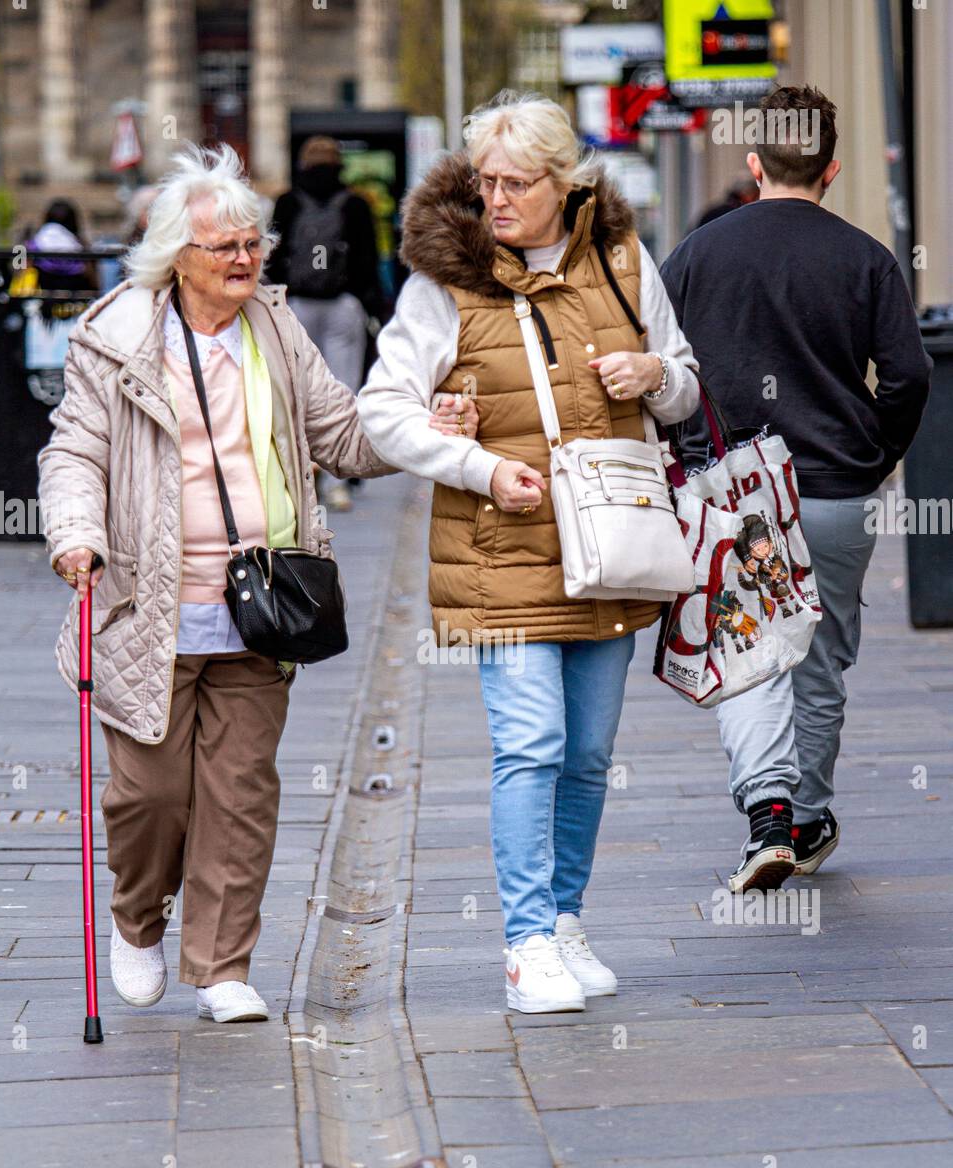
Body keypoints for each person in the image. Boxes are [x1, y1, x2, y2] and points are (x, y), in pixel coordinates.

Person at [36, 142, 473, 1025]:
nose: (244, 259)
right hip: (146, 605)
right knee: (150, 796)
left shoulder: (276, 329)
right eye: (223, 247)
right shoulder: (114, 338)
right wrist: (75, 534)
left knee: (240, 793)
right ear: (174, 257)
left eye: (251, 243)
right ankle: (137, 918)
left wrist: (421, 428)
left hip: (262, 605)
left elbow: (342, 437)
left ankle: (223, 963)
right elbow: (74, 452)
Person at [358, 90, 699, 1014]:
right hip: (501, 552)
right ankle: (523, 943)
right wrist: (473, 463)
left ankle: (565, 918)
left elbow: (684, 386)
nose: (496, 198)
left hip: (612, 546)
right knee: (531, 743)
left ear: (565, 182)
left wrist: (653, 375)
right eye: (485, 181)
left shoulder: (625, 263)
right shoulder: (445, 285)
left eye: (516, 182)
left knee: (588, 752)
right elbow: (380, 412)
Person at [661, 85, 932, 892]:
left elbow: (663, 367)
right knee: (818, 664)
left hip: (734, 490)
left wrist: (685, 453)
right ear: (832, 168)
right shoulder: (864, 259)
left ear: (752, 164)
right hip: (834, 491)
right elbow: (910, 376)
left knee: (748, 654)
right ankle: (807, 815)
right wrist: (872, 453)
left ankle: (769, 812)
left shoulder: (699, 253)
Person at [267, 136, 384, 513]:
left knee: (294, 389)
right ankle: (338, 484)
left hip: (296, 304)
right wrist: (369, 303)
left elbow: (273, 254)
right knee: (343, 387)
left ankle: (298, 476)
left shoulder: (287, 202)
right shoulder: (354, 204)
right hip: (342, 305)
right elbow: (368, 259)